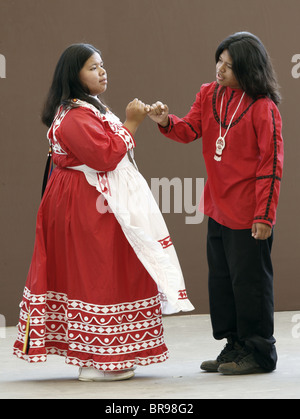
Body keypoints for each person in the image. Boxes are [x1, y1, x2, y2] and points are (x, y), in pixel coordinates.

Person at [13, 43, 194, 382]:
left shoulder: (86, 109)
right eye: (93, 67)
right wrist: (132, 123)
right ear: (74, 76)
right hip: (86, 205)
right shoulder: (75, 117)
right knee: (96, 273)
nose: (102, 71)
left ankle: (107, 354)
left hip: (93, 202)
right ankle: (96, 360)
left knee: (105, 271)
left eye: (102, 65)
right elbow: (104, 157)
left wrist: (142, 118)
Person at [147, 32, 284, 375]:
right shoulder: (209, 94)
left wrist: (264, 216)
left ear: (249, 69)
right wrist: (166, 120)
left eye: (229, 65)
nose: (220, 69)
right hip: (218, 210)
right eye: (219, 61)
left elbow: (271, 165)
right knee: (223, 282)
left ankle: (260, 352)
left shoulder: (263, 108)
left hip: (249, 214)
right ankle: (235, 344)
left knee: (250, 284)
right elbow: (188, 129)